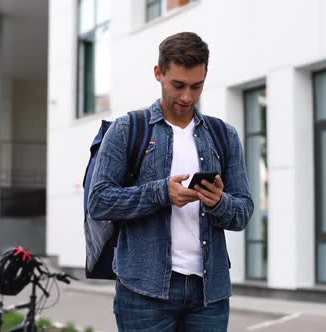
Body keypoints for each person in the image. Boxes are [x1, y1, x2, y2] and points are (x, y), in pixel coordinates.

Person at [88, 32, 253, 331]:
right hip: (143, 292)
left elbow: (243, 212)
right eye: (178, 85)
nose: (187, 97)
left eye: (196, 86)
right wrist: (162, 192)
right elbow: (99, 201)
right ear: (158, 73)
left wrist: (219, 202)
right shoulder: (127, 130)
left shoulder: (223, 136)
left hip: (209, 294)